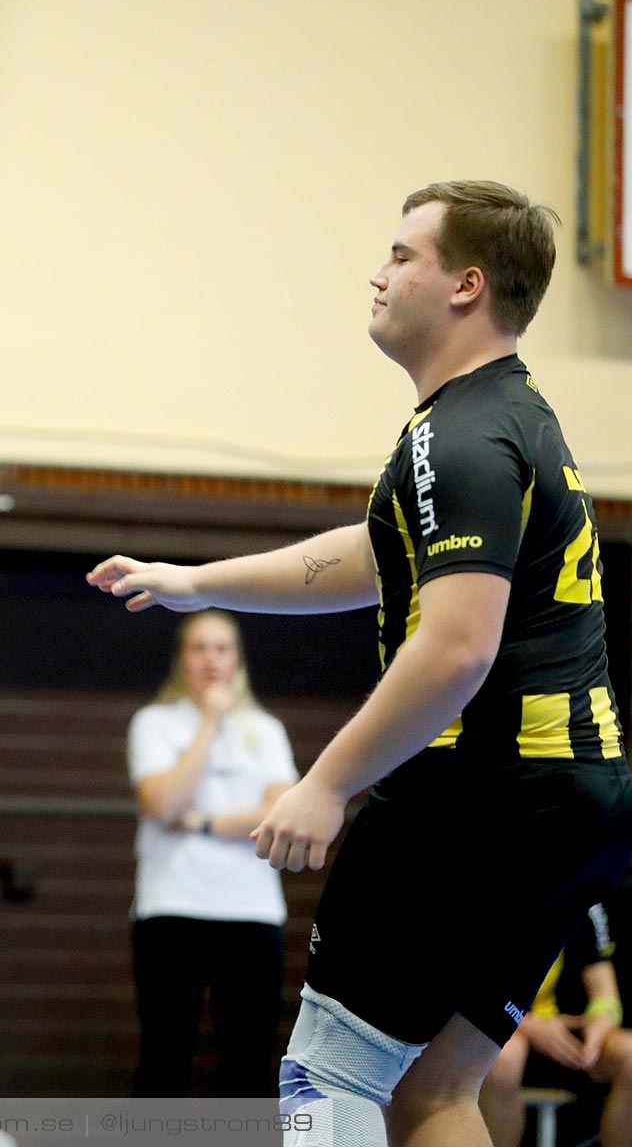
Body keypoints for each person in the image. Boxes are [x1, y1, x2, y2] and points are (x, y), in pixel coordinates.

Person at [87, 181, 629, 1147]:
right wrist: (198, 579)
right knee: (434, 1092)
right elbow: (376, 556)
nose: (378, 273)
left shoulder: (459, 436)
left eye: (402, 255)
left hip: (481, 796)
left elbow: (459, 645)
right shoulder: (504, 420)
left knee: (324, 1078)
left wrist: (328, 783)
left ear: (466, 286)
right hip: (570, 804)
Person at [127, 610, 298, 1097]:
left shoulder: (265, 729)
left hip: (250, 912)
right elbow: (162, 802)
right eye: (200, 648)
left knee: (248, 1064)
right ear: (183, 659)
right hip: (171, 909)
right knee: (164, 1059)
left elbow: (280, 812)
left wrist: (201, 822)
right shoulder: (154, 723)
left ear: (237, 659)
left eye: (222, 649)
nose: (211, 660)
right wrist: (209, 724)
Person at [480, 903, 632, 1147]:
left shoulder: (584, 901)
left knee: (629, 1053)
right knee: (504, 1056)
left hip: (560, 1038)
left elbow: (606, 997)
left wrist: (599, 1027)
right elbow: (471, 994)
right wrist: (529, 1025)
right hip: (498, 1027)